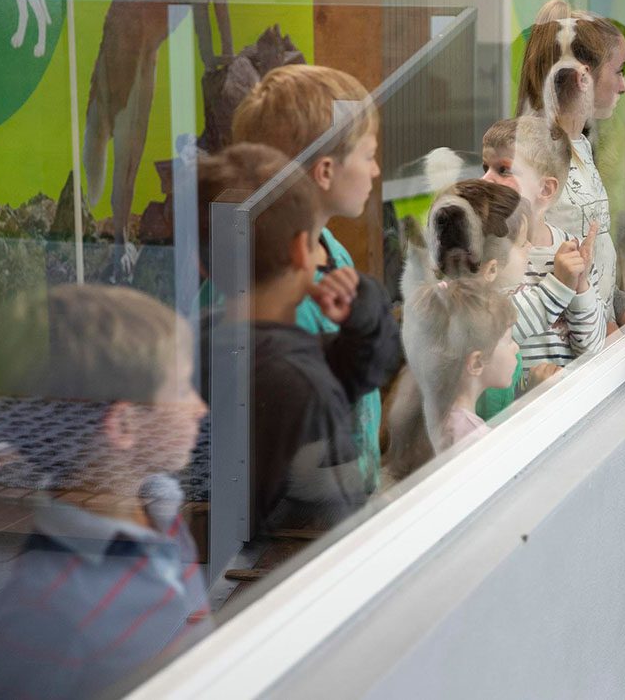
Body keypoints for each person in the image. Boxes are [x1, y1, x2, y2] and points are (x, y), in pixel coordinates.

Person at [0, 284, 211, 699]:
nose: (200, 406)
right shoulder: (48, 606)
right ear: (124, 425)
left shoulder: (161, 509)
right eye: (181, 389)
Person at [197, 143, 400, 528]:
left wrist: (363, 307)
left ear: (201, 266)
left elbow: (348, 367)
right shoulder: (303, 383)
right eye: (316, 242)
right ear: (301, 252)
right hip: (298, 555)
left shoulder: (201, 343)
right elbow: (335, 505)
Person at [230, 64, 389, 491]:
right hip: (305, 516)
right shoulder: (264, 286)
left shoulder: (329, 248)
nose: (376, 172)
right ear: (324, 172)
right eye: (369, 156)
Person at [516, 0, 625, 329]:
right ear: (583, 78)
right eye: (617, 73)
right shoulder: (539, 167)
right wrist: (605, 329)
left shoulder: (581, 148)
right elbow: (545, 287)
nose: (623, 86)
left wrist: (622, 306)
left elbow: (590, 265)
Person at [481, 115, 606, 369]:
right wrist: (560, 284)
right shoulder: (484, 251)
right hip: (510, 406)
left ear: (546, 190)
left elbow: (592, 349)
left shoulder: (573, 250)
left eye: (503, 170)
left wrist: (580, 286)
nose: (485, 180)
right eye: (484, 168)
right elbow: (492, 336)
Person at [402, 278, 519, 449]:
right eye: (509, 341)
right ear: (477, 363)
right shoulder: (473, 439)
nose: (515, 348)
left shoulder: (434, 409)